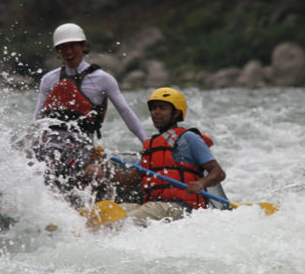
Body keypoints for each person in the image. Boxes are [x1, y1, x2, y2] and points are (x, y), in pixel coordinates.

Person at [31, 22, 147, 201]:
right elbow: (37, 119)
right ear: (58, 51)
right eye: (63, 48)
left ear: (84, 46)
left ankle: (99, 210)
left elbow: (125, 111)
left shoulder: (103, 80)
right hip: (51, 145)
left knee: (96, 174)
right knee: (42, 168)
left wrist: (146, 143)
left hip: (82, 147)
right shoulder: (49, 79)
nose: (68, 52)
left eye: (72, 46)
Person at [94, 87, 226, 224]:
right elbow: (128, 180)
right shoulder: (151, 145)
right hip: (154, 207)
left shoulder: (190, 139)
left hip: (182, 208)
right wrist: (104, 164)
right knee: (103, 215)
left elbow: (218, 173)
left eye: (162, 108)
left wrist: (200, 183)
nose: (155, 112)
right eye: (153, 109)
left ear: (176, 113)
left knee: (122, 222)